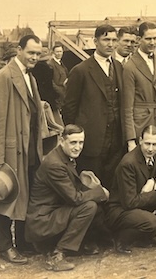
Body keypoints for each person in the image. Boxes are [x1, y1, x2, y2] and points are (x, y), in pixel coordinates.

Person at [0, 35, 48, 264]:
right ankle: (5, 247)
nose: (34, 57)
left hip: (29, 149)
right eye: (31, 52)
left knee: (26, 195)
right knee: (5, 196)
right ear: (19, 50)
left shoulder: (30, 78)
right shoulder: (4, 78)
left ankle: (22, 242)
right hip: (10, 151)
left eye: (38, 54)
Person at [25, 125, 109, 272]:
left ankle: (83, 243)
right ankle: (58, 255)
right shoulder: (55, 164)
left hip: (53, 213)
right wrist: (100, 192)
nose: (78, 147)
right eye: (73, 142)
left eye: (81, 143)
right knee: (88, 207)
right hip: (43, 222)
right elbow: (75, 199)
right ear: (62, 141)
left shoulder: (63, 157)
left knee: (92, 204)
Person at [63, 24, 124, 188]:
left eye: (113, 40)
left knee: (111, 186)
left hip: (116, 143)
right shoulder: (80, 70)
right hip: (92, 143)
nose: (110, 44)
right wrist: (77, 138)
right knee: (90, 187)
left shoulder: (119, 67)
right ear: (95, 42)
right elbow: (69, 109)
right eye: (106, 40)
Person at [104, 124, 156, 254]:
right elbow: (129, 202)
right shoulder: (128, 163)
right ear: (140, 140)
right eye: (147, 143)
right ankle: (121, 239)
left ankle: (150, 235)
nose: (150, 149)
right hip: (120, 210)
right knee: (152, 221)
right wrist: (154, 193)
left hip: (140, 202)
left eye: (154, 144)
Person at [122, 22, 156, 152]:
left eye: (155, 38)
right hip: (140, 124)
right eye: (148, 39)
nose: (152, 42)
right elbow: (127, 107)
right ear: (139, 39)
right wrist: (130, 139)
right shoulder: (130, 66)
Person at [48, 43, 68, 112]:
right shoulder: (51, 64)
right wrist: (59, 92)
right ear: (53, 53)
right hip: (57, 95)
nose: (59, 53)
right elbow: (50, 81)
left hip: (64, 93)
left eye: (61, 51)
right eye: (57, 51)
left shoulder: (62, 64)